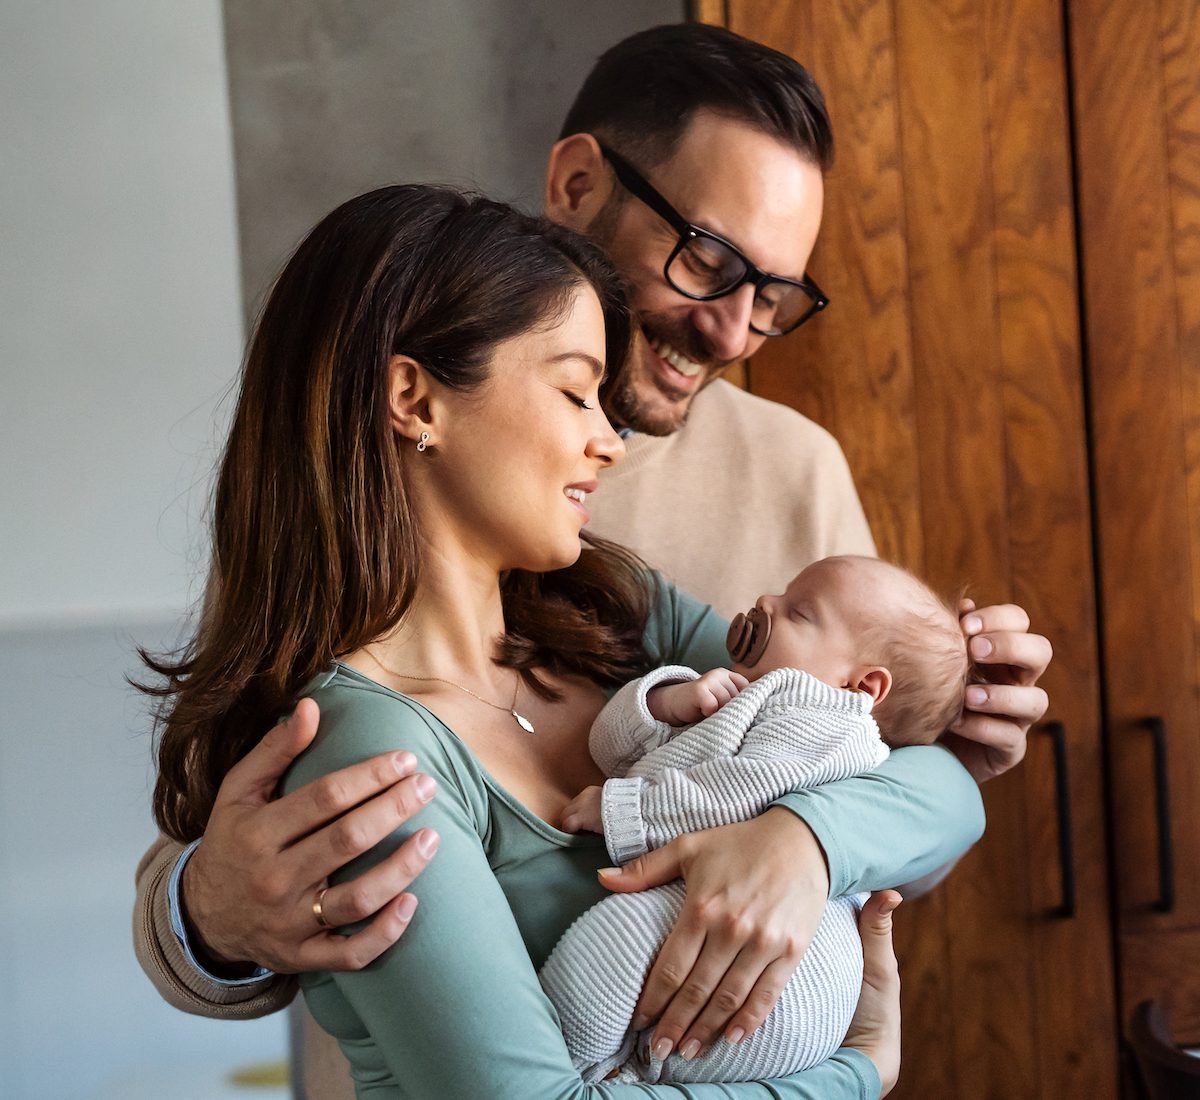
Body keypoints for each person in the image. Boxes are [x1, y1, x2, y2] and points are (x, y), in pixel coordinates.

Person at [133, 23, 1049, 1099]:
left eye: (777, 298)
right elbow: (223, 840)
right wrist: (205, 909)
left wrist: (809, 835)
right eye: (709, 260)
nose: (739, 332)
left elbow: (922, 785)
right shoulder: (365, 706)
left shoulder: (620, 580)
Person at [543, 555, 966, 1085]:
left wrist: (620, 810)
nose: (766, 604)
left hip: (791, 981)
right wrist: (664, 702)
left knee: (613, 940)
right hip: (752, 972)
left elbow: (731, 795)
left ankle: (569, 1070)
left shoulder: (829, 723)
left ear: (861, 686)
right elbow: (610, 751)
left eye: (799, 612)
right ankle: (615, 1074)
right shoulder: (751, 696)